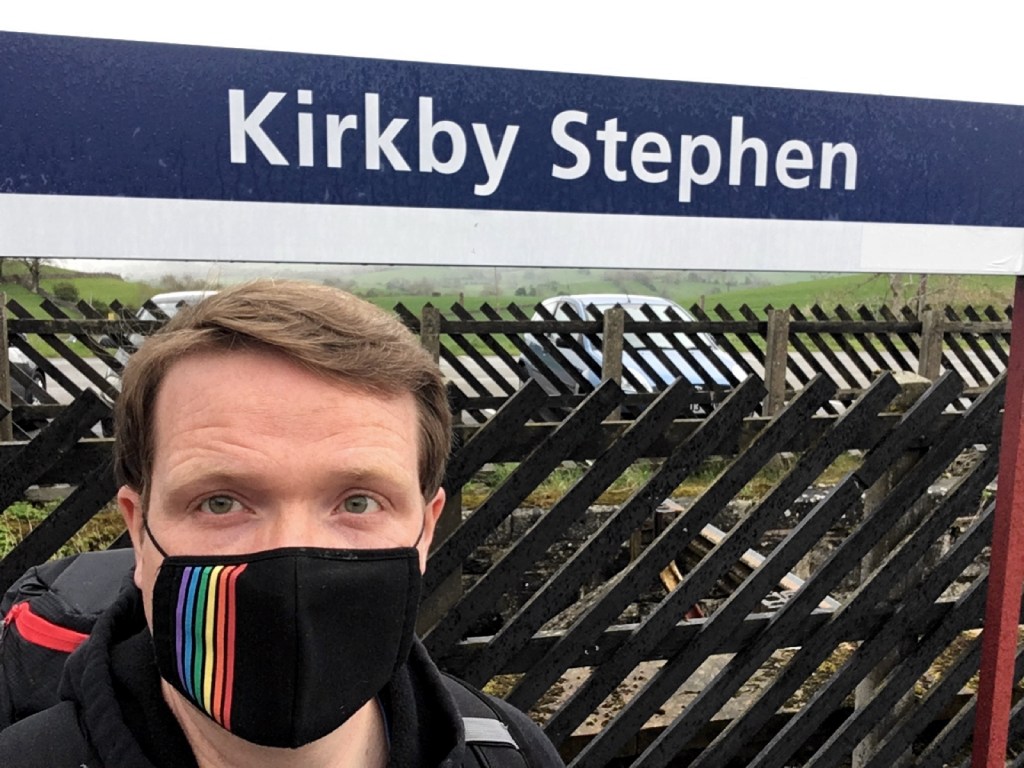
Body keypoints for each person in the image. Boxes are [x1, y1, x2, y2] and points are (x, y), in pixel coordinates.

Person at [0, 280, 564, 767]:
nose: (293, 554)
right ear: (139, 532)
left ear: (425, 531)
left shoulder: (509, 755)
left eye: (359, 503)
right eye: (220, 502)